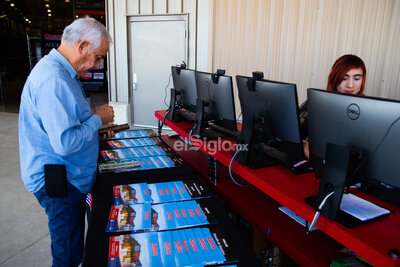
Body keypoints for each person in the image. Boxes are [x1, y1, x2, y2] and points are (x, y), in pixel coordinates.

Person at [19, 18, 115, 266]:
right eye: (97, 56)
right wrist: (96, 120)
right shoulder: (54, 80)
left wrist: (96, 131)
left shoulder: (63, 73)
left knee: (74, 245)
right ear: (82, 46)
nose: (98, 64)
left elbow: (69, 123)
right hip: (61, 183)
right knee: (68, 255)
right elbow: (65, 142)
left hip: (68, 176)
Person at [301, 54, 367, 158]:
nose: (350, 85)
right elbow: (297, 132)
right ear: (335, 79)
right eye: (344, 78)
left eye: (357, 78)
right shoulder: (319, 102)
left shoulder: (368, 111)